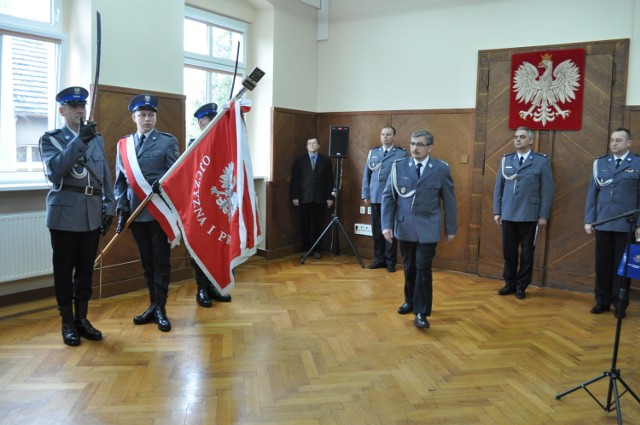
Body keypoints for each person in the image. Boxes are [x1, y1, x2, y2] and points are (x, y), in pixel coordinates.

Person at [40, 86, 116, 346]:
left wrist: (111, 205)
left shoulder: (97, 137)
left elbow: (105, 174)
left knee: (85, 271)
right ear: (62, 110)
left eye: (82, 105)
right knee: (64, 271)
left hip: (91, 214)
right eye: (73, 106)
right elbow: (56, 171)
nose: (80, 110)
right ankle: (67, 322)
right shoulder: (50, 138)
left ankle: (82, 318)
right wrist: (79, 140)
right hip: (64, 215)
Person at [114, 94, 180, 332]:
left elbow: (176, 176)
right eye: (142, 115)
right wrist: (121, 210)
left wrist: (163, 186)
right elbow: (120, 182)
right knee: (146, 263)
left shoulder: (167, 142)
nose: (147, 119)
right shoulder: (124, 145)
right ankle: (152, 305)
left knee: (161, 262)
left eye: (151, 114)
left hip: (159, 213)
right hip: (136, 214)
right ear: (134, 117)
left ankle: (161, 308)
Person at [382, 129, 457, 329]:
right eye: (412, 143)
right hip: (405, 226)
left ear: (429, 147)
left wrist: (451, 228)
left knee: (423, 268)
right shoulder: (399, 167)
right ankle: (410, 301)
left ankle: (422, 312)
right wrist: (386, 225)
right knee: (409, 267)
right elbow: (388, 197)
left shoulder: (440, 169)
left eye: (419, 144)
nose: (414, 148)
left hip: (428, 228)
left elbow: (449, 201)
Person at [584, 128, 640, 319]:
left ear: (629, 143)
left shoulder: (638, 163)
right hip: (603, 222)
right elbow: (592, 193)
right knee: (603, 264)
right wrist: (589, 220)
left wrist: (639, 224)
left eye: (619, 140)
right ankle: (602, 301)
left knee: (622, 266)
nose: (614, 143)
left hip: (627, 224)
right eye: (612, 140)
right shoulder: (600, 163)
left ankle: (620, 304)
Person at [493, 126, 555, 300]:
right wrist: (497, 211)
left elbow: (547, 190)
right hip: (508, 213)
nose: (517, 139)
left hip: (530, 214)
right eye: (516, 137)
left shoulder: (541, 161)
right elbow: (499, 187)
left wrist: (543, 215)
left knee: (527, 253)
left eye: (522, 137)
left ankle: (521, 286)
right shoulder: (506, 160)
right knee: (509, 251)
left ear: (531, 141)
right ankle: (509, 284)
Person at [189, 102, 232, 307]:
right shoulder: (193, 145)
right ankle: (201, 289)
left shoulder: (224, 145)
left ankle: (214, 286)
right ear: (200, 123)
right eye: (210, 120)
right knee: (201, 248)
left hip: (218, 208)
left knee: (218, 247)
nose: (215, 124)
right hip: (199, 209)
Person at [361, 126, 407, 272]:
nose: (385, 137)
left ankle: (390, 262)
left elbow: (405, 176)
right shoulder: (373, 152)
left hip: (392, 198)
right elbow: (366, 175)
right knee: (377, 230)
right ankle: (379, 259)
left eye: (388, 134)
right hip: (375, 197)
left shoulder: (401, 153)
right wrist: (365, 194)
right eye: (383, 134)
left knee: (390, 231)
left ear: (394, 136)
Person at [290, 137, 335, 259]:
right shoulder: (300, 160)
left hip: (320, 198)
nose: (311, 145)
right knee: (304, 224)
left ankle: (317, 250)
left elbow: (330, 180)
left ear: (318, 146)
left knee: (318, 225)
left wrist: (330, 197)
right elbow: (295, 180)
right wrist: (295, 196)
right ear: (306, 146)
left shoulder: (325, 161)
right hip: (304, 197)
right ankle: (305, 249)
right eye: (309, 143)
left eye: (314, 143)